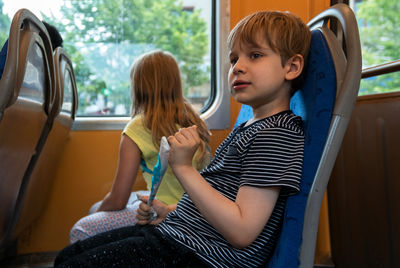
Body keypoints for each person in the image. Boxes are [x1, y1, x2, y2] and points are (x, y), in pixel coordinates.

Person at [54, 10, 311, 268]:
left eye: (255, 55)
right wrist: (171, 211)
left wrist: (184, 168)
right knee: (68, 256)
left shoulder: (275, 134)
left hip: (201, 256)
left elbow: (242, 231)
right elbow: (223, 196)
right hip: (182, 235)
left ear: (291, 67)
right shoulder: (250, 126)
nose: (237, 67)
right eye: (234, 59)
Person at [69, 50, 211, 243]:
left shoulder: (137, 127)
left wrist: (97, 215)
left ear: (139, 87)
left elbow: (118, 199)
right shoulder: (194, 121)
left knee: (83, 228)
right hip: (196, 209)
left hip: (162, 211)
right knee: (96, 209)